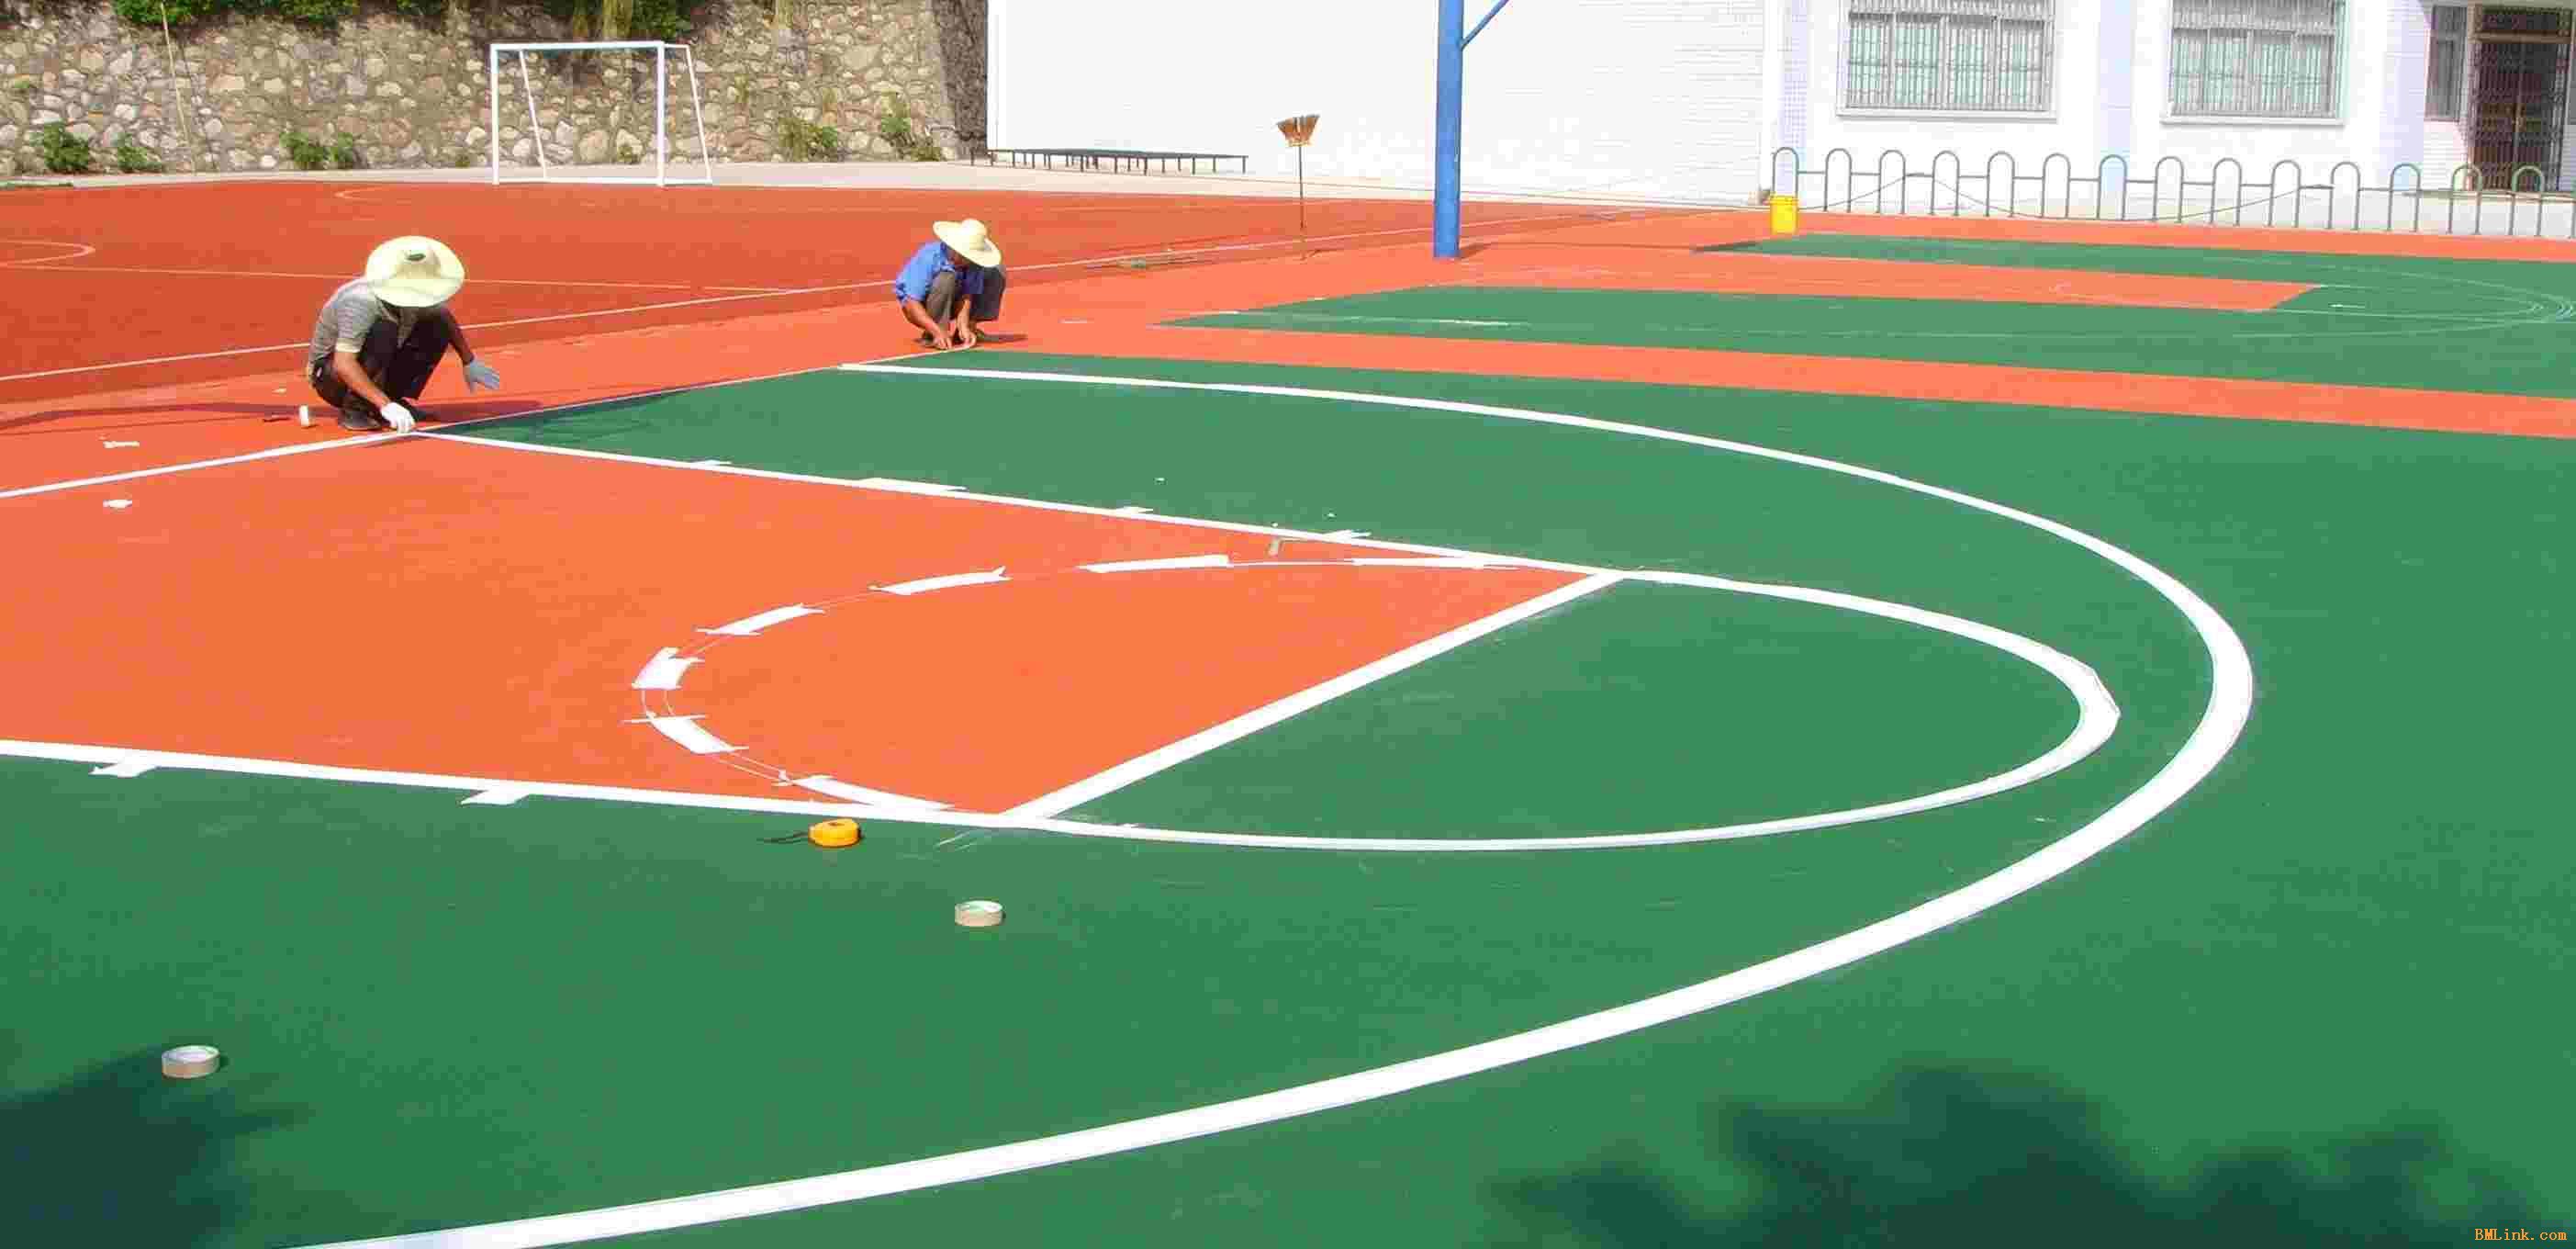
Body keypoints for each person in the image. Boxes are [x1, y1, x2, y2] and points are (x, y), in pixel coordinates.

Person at [307, 236, 501, 433]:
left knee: (435, 328)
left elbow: (443, 316)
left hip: (375, 367)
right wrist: (385, 405)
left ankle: (393, 396)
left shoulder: (421, 291)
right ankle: (356, 409)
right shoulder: (360, 302)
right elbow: (343, 363)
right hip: (333, 380)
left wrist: (469, 361)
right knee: (384, 331)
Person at [893, 219, 1007, 350]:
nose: (964, 260)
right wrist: (937, 332)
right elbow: (911, 303)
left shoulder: (972, 263)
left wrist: (963, 326)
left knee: (996, 270)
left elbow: (967, 295)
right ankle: (934, 332)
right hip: (920, 308)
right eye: (963, 255)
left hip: (952, 300)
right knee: (947, 277)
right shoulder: (930, 256)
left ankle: (967, 331)